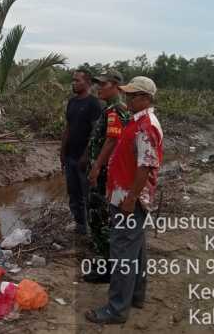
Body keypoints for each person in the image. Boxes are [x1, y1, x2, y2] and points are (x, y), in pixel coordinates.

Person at [85, 76, 163, 325]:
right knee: (136, 251)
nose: (127, 98)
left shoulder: (146, 126)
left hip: (128, 201)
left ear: (146, 98)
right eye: (127, 94)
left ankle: (116, 309)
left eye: (133, 95)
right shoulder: (137, 121)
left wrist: (129, 200)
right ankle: (136, 296)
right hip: (124, 196)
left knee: (122, 255)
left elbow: (146, 167)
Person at [83, 70, 128, 282]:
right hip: (103, 172)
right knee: (99, 216)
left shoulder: (116, 110)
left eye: (103, 84)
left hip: (104, 175)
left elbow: (112, 140)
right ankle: (105, 261)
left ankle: (107, 268)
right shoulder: (110, 109)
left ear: (116, 86)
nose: (98, 88)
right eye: (98, 84)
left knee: (100, 218)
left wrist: (96, 167)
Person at [60, 69, 101, 234]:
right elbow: (68, 128)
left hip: (84, 159)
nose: (74, 83)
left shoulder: (93, 104)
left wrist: (85, 156)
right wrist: (62, 152)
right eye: (73, 80)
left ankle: (92, 229)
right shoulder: (72, 102)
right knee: (73, 193)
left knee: (87, 195)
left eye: (77, 80)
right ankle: (80, 225)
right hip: (70, 156)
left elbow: (95, 133)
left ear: (87, 83)